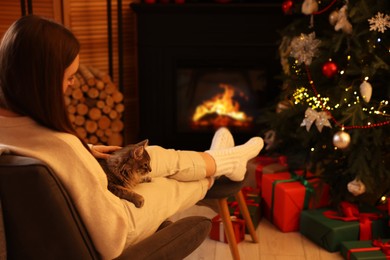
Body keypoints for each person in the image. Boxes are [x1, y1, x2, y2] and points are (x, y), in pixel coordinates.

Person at [0, 15, 263, 259]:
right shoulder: (62, 147)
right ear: (41, 82)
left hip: (96, 198)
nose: (72, 85)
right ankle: (220, 167)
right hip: (121, 222)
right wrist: (77, 153)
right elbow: (110, 238)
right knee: (176, 182)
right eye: (68, 78)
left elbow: (41, 150)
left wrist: (87, 149)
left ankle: (219, 160)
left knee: (151, 155)